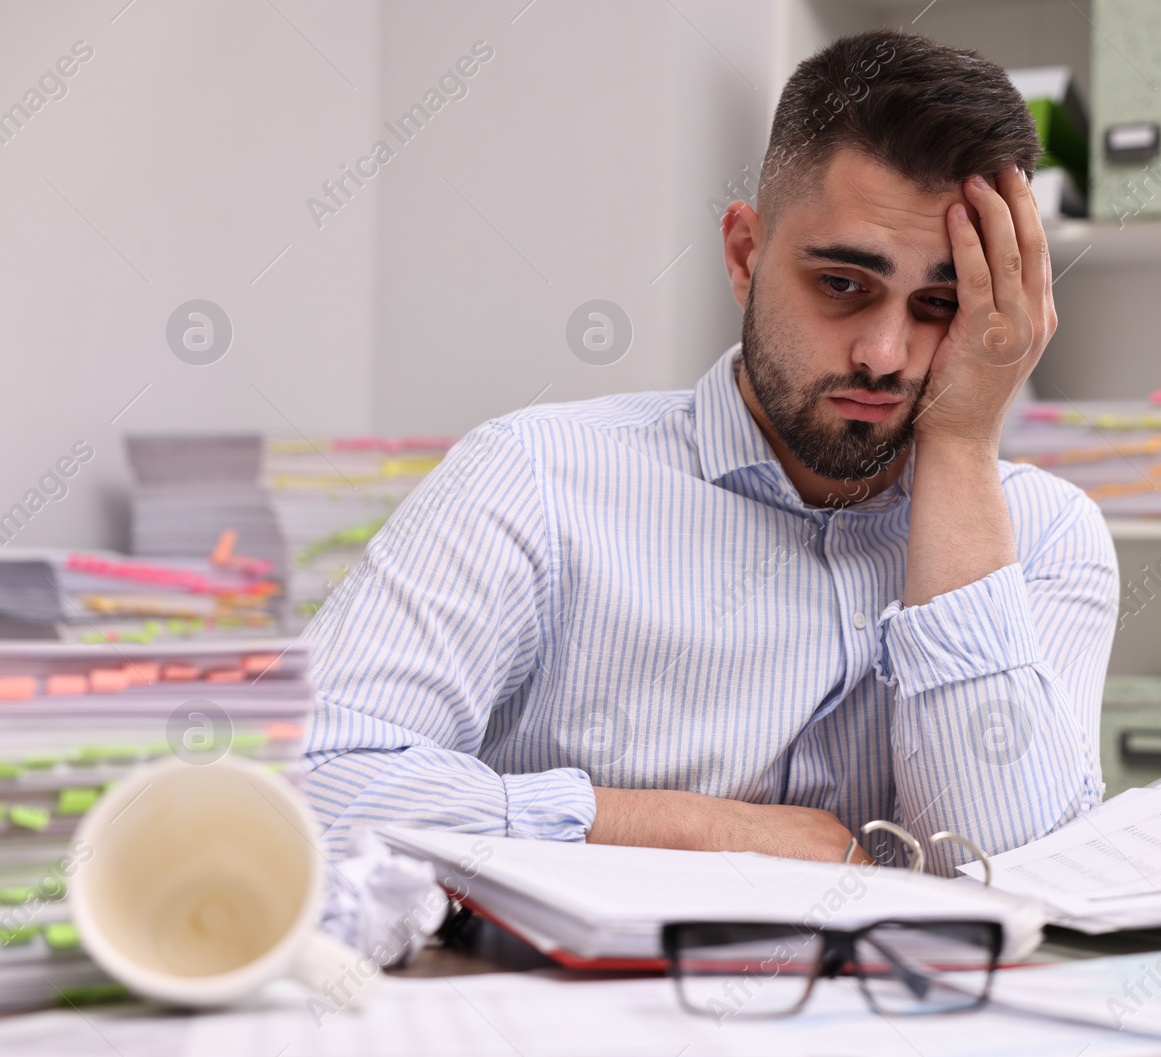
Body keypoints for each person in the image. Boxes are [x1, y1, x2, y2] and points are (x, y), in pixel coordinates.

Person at [303, 29, 1117, 876]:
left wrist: (958, 443)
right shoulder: (533, 479)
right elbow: (307, 784)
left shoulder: (1048, 538)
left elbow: (1020, 876)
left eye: (940, 303)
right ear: (743, 254)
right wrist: (692, 827)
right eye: (843, 285)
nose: (884, 353)